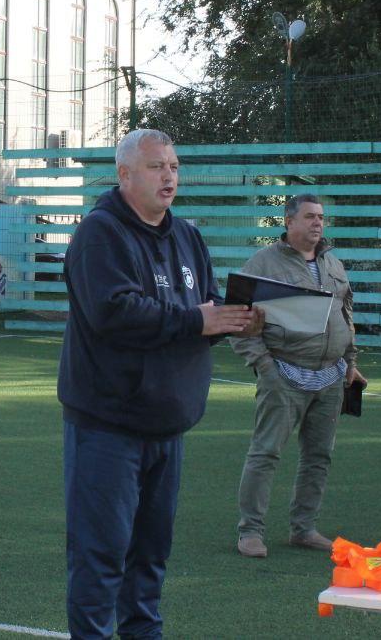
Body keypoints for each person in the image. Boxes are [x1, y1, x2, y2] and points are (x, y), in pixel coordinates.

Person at [58, 128, 261, 640]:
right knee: (101, 555)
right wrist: (198, 320)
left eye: (173, 166)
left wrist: (234, 320)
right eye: (156, 167)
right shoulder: (100, 234)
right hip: (108, 427)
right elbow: (115, 313)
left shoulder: (188, 235)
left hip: (168, 427)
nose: (169, 176)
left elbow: (204, 310)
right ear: (125, 175)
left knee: (150, 557)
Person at [232, 194, 363, 558]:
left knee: (319, 456)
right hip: (283, 375)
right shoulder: (262, 263)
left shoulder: (333, 262)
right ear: (289, 222)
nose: (317, 223)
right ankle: (250, 532)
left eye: (321, 217)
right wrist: (264, 366)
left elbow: (346, 311)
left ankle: (303, 529)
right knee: (265, 454)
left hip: (331, 376)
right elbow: (238, 318)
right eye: (309, 217)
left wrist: (350, 360)